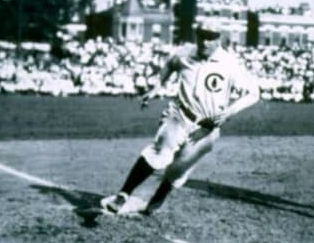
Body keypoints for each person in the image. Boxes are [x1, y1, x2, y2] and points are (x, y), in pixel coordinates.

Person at [101, 24, 260, 215]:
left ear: (219, 39)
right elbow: (169, 65)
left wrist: (229, 112)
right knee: (161, 153)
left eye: (211, 37)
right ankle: (123, 195)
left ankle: (155, 202)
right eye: (202, 36)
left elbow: (253, 93)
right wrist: (157, 87)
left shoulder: (230, 64)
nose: (205, 41)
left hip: (206, 129)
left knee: (179, 169)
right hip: (179, 114)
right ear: (196, 36)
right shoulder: (184, 54)